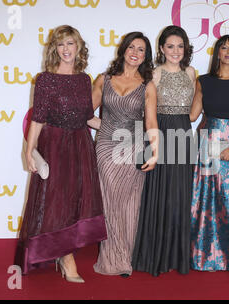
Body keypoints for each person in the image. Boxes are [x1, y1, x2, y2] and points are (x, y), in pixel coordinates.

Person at [14, 25, 107, 283]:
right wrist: (29, 151)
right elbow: (38, 119)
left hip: (80, 144)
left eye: (70, 43)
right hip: (55, 146)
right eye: (61, 44)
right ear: (55, 49)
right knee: (57, 201)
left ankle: (64, 252)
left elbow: (89, 118)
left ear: (78, 47)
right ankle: (66, 259)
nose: (66, 49)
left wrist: (118, 126)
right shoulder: (45, 79)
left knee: (76, 200)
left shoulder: (84, 79)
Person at [92, 32, 159, 277]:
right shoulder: (104, 80)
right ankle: (110, 257)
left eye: (141, 49)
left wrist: (155, 153)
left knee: (130, 204)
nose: (135, 52)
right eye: (132, 47)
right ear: (123, 50)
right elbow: (86, 112)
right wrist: (107, 128)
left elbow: (151, 122)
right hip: (106, 148)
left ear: (145, 56)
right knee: (110, 203)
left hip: (133, 148)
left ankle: (125, 257)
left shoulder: (147, 85)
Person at [131, 25, 196, 277]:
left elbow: (193, 109)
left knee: (180, 195)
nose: (175, 51)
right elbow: (147, 111)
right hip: (160, 132)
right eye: (170, 46)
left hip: (183, 132)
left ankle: (177, 256)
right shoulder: (154, 74)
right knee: (158, 193)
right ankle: (155, 255)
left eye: (180, 46)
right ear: (161, 49)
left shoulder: (191, 73)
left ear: (185, 49)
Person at [189, 35, 229, 275]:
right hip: (207, 144)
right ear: (217, 53)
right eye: (224, 47)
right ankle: (205, 257)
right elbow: (193, 115)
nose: (228, 51)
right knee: (207, 201)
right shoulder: (203, 81)